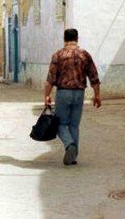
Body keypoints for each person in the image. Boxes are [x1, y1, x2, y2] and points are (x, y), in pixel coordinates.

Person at [44, 28, 102, 166]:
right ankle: (73, 157)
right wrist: (97, 95)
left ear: (64, 39)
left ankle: (69, 144)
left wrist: (46, 95)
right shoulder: (84, 55)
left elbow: (51, 78)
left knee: (60, 124)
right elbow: (94, 76)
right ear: (77, 39)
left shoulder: (58, 55)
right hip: (79, 93)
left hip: (63, 93)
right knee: (74, 125)